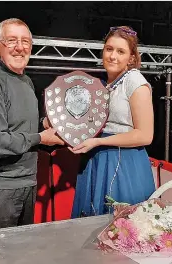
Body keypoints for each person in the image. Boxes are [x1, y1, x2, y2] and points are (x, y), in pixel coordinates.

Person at [0, 18, 63, 231]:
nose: (20, 48)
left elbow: (19, 126)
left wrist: (45, 123)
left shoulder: (25, 81)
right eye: (11, 41)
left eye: (25, 41)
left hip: (26, 183)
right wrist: (40, 137)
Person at [64, 26, 156, 217]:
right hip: (97, 159)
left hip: (123, 163)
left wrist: (99, 141)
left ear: (131, 58)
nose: (113, 56)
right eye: (109, 49)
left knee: (121, 228)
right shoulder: (104, 84)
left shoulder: (135, 81)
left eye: (120, 51)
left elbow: (145, 135)